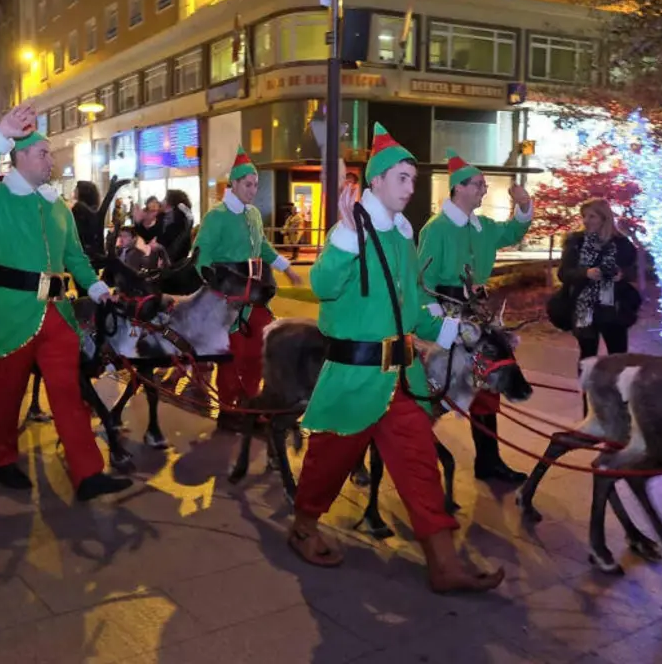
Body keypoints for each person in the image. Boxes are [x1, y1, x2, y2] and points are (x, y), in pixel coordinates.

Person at [287, 123, 504, 593]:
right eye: (402, 178)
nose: (411, 187)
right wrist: (345, 236)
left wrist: (455, 331)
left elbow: (411, 309)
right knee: (328, 462)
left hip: (401, 378)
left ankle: (444, 565)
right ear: (376, 183)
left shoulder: (401, 235)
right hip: (353, 378)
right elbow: (322, 286)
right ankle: (303, 525)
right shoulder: (353, 230)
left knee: (419, 463)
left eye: (413, 179)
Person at [0, 104, 130, 501]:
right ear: (18, 157)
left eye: (49, 153)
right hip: (8, 313)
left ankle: (88, 473)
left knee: (69, 392)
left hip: (57, 314)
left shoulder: (57, 207)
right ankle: (3, 461)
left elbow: (74, 257)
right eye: (42, 153)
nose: (49, 160)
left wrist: (96, 288)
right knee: (4, 396)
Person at [418, 148, 533, 483]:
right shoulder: (435, 230)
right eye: (479, 184)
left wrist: (524, 205)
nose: (484, 189)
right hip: (449, 319)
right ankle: (414, 452)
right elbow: (422, 281)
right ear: (459, 188)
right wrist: (440, 323)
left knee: (487, 387)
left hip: (478, 318)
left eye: (484, 184)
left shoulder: (482, 226)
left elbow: (513, 231)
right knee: (440, 389)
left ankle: (488, 461)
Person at [193, 146, 301, 418]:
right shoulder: (216, 217)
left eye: (256, 185)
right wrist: (213, 289)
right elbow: (200, 255)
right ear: (235, 184)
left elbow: (262, 246)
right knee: (232, 356)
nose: (253, 190)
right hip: (228, 297)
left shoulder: (253, 214)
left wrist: (286, 268)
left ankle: (251, 406)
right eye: (249, 184)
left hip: (255, 295)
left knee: (258, 351)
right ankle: (230, 412)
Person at [557, 199, 639, 356]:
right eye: (584, 216)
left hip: (613, 307)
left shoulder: (622, 243)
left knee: (618, 355)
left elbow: (633, 271)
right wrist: (585, 273)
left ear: (604, 218)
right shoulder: (576, 242)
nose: (586, 221)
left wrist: (622, 274)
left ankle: (615, 381)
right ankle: (588, 381)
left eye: (592, 216)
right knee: (587, 356)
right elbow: (563, 273)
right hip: (584, 307)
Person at [71, 180, 106, 269]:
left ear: (82, 191)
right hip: (92, 254)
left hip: (80, 252)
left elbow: (75, 230)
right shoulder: (93, 209)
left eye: (76, 188)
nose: (74, 191)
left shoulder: (79, 208)